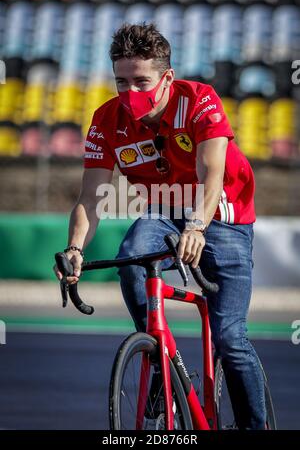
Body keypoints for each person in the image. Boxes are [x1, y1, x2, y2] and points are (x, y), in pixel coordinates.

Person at [54, 23, 266, 429]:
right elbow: (90, 198)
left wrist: (197, 228)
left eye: (141, 82)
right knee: (130, 258)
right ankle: (158, 356)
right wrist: (75, 249)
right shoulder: (106, 119)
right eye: (121, 82)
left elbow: (211, 176)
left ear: (167, 77)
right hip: (163, 212)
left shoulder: (200, 99)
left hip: (222, 214)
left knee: (230, 341)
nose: (130, 94)